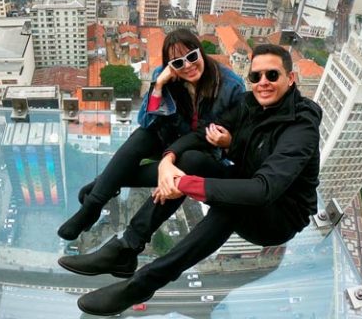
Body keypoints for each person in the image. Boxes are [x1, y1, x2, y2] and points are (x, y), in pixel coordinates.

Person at [65, 44, 323, 316]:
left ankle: (143, 284)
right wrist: (168, 160)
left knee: (231, 204)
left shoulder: (301, 127)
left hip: (277, 215)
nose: (263, 83)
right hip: (246, 180)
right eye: (255, 77)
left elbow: (263, 190)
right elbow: (201, 133)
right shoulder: (250, 104)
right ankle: (127, 247)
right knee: (190, 160)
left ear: (290, 78)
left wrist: (183, 185)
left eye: (272, 75)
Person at [57, 29, 245, 241]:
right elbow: (146, 122)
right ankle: (91, 208)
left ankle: (102, 186)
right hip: (171, 139)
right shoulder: (163, 77)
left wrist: (227, 142)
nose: (188, 66)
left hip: (201, 152)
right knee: (142, 136)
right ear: (170, 66)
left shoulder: (231, 85)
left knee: (185, 161)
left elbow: (242, 134)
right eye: (178, 63)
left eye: (192, 57)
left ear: (201, 53)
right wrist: (159, 86)